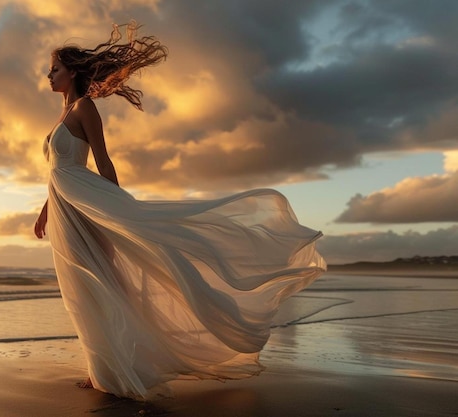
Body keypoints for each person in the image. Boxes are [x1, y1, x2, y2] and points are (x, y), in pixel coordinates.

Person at [34, 22, 326, 400]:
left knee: (96, 282)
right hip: (65, 206)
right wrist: (44, 211)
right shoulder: (61, 115)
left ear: (72, 71)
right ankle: (104, 365)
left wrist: (120, 214)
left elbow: (103, 164)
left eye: (54, 68)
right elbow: (58, 170)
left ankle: (111, 368)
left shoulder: (84, 107)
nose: (48, 74)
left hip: (86, 206)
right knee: (80, 285)